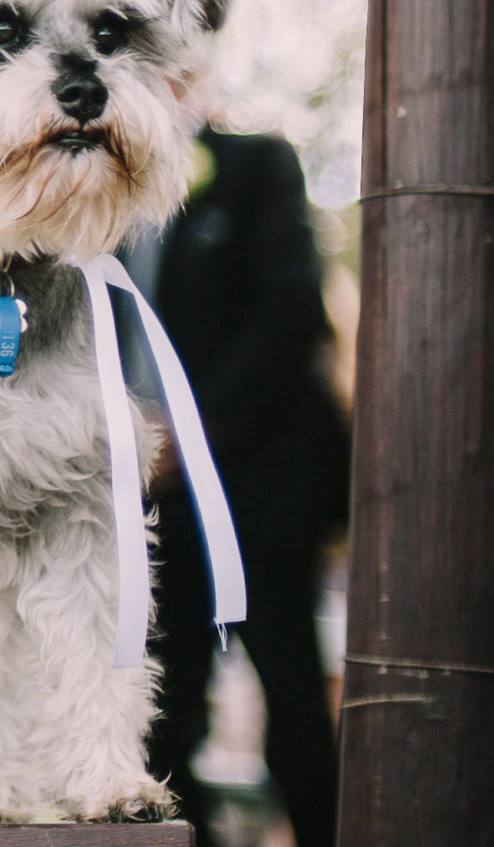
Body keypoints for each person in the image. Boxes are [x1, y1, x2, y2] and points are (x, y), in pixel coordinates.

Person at [125, 126, 347, 847]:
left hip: (260, 498)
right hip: (154, 510)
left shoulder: (258, 166)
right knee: (162, 723)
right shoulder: (100, 192)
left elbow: (292, 312)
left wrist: (185, 437)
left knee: (294, 710)